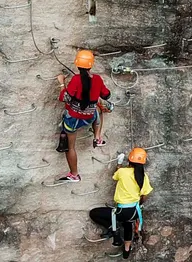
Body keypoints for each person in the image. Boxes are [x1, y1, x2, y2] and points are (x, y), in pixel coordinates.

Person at [55, 50, 112, 183]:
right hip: (90, 116)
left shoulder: (76, 80)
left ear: (77, 64)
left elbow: (64, 98)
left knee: (71, 147)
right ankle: (97, 137)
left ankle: (74, 174)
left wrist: (62, 83)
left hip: (73, 119)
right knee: (99, 107)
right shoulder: (97, 79)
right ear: (91, 65)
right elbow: (106, 95)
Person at [88, 147, 152, 259]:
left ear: (130, 160)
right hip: (134, 211)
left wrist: (119, 163)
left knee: (94, 213)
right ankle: (127, 249)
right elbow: (145, 195)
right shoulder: (144, 177)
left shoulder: (123, 172)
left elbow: (115, 174)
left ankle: (113, 230)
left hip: (121, 211)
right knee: (128, 223)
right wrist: (139, 203)